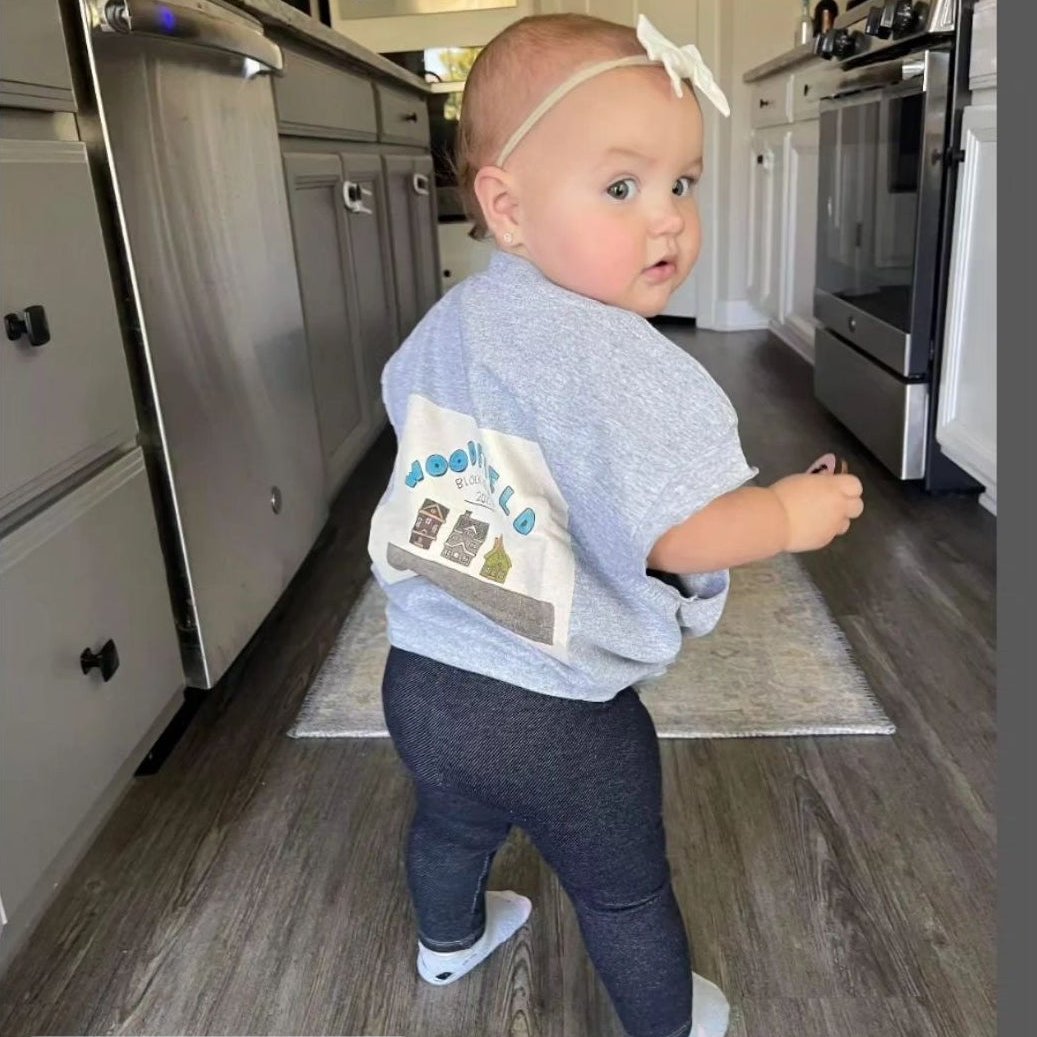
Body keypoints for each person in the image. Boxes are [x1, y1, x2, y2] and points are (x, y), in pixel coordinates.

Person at [367, 13, 864, 1037]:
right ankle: (667, 1022)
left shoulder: (450, 319)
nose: (667, 220)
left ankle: (447, 940)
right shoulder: (621, 361)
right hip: (557, 715)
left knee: (451, 822)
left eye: (683, 183)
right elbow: (678, 533)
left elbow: (411, 405)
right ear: (508, 207)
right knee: (622, 888)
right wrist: (785, 512)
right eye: (622, 187)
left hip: (421, 677)